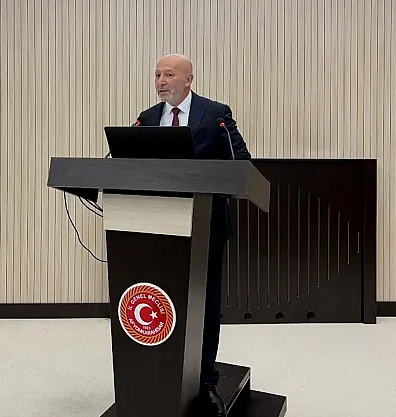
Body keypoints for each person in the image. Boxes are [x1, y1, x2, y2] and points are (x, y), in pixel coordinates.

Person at [134, 54, 251, 416]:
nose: (160, 80)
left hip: (205, 225)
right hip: (158, 226)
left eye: (169, 74)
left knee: (204, 304)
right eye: (157, 74)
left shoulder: (215, 114)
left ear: (188, 80)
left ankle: (206, 381)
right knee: (161, 301)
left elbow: (241, 160)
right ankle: (160, 373)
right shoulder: (147, 119)